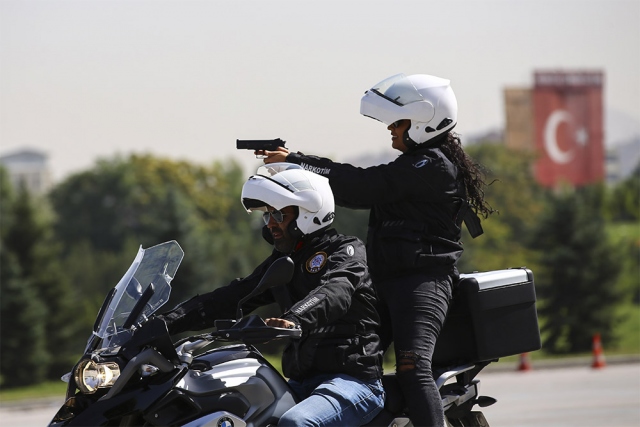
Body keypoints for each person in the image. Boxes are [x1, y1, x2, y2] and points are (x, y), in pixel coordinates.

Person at [262, 73, 494, 427]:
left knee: (413, 367)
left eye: (397, 123)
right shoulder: (415, 164)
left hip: (422, 283)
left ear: (423, 121)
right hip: (386, 282)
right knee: (348, 361)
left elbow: (363, 186)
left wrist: (298, 161)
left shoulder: (430, 165)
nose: (390, 129)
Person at [159, 164, 385, 427]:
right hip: (302, 383)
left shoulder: (345, 250)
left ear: (309, 212)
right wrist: (163, 323)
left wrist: (294, 319)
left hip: (354, 382)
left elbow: (335, 291)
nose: (271, 224)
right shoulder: (284, 260)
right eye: (267, 216)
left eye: (278, 214)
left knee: (295, 423)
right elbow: (233, 296)